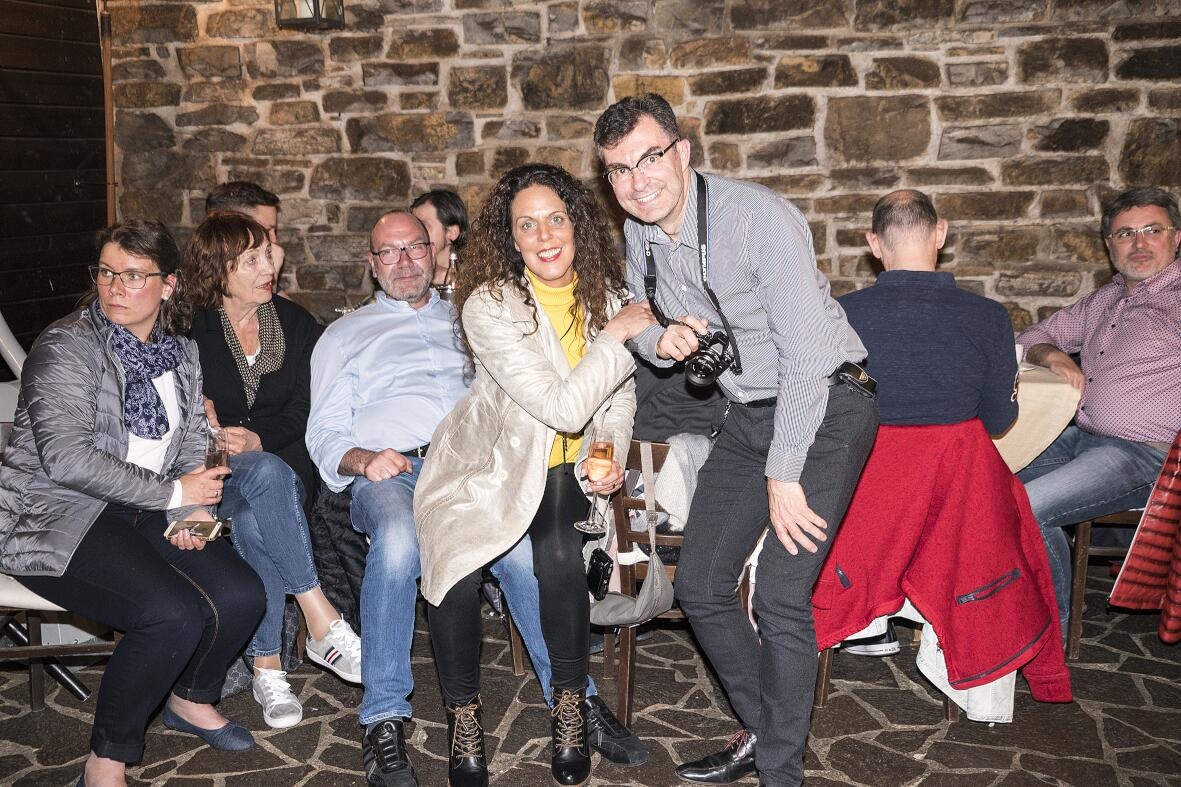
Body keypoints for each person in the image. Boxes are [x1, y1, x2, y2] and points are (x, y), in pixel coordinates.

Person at [594, 93, 879, 787]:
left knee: (779, 596)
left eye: (649, 158)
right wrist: (664, 339)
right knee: (699, 584)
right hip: (748, 413)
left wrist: (785, 473)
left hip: (826, 406)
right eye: (619, 170)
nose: (637, 181)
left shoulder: (756, 218)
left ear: (682, 152)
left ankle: (780, 772)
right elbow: (646, 328)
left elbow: (807, 357)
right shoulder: (639, 233)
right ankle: (768, 732)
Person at [307, 208, 645, 787]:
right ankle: (383, 719)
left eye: (415, 247)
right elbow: (323, 433)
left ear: (435, 253)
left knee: (522, 556)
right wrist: (363, 459)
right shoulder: (343, 335)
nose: (404, 261)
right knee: (398, 544)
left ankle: (577, 701)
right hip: (394, 470)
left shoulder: (473, 314)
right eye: (389, 252)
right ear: (372, 264)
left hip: (478, 471)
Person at [413, 164, 654, 787]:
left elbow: (615, 400)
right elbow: (562, 406)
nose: (545, 236)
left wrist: (606, 453)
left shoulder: (605, 298)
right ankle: (464, 719)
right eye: (527, 225)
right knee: (454, 573)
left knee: (560, 556)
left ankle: (570, 709)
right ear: (510, 237)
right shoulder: (489, 306)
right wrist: (616, 337)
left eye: (556, 219)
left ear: (577, 225)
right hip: (487, 464)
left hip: (566, 468)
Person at [0, 221, 265, 787]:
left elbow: (192, 442)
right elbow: (67, 459)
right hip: (55, 516)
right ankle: (106, 761)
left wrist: (193, 512)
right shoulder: (67, 346)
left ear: (169, 285)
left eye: (134, 276)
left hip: (147, 508)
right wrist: (175, 495)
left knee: (242, 594)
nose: (115, 287)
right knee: (170, 614)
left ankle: (190, 699)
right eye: (106, 272)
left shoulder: (181, 351)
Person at [182, 211, 362, 730]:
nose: (269, 268)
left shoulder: (296, 323)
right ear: (219, 270)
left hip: (285, 464)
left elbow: (309, 408)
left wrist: (259, 438)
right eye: (252, 260)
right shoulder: (188, 330)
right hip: (211, 471)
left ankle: (267, 668)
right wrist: (206, 423)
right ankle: (319, 617)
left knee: (263, 490)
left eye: (268, 254)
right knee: (260, 480)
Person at [828, 189, 1021, 654]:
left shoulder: (839, 315)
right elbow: (1000, 419)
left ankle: (869, 614)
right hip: (952, 507)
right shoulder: (989, 317)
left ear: (874, 243)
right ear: (941, 233)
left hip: (863, 500)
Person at [1016, 186, 1181, 628]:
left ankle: (1046, 633)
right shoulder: (1103, 299)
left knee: (1030, 507)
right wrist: (1054, 356)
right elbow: (1029, 338)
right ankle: (993, 604)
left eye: (1152, 230)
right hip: (1080, 437)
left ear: (1176, 237)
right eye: (1125, 233)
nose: (1139, 243)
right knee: (981, 481)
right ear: (1109, 245)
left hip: (1144, 454)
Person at [206, 181, 287, 294]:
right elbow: (266, 304)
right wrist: (274, 275)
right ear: (231, 225)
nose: (274, 239)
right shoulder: (199, 275)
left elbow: (288, 304)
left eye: (274, 231)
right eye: (265, 230)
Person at [411, 189, 468, 300]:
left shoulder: (475, 278)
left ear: (451, 233)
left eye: (424, 226)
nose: (414, 233)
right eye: (414, 226)